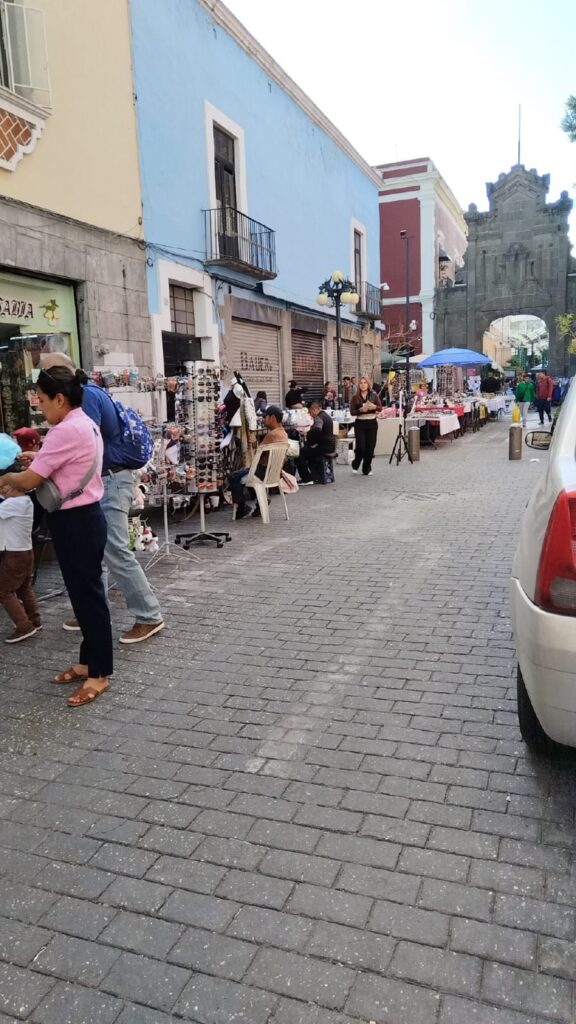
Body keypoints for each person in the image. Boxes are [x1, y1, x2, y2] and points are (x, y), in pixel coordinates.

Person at [0, 367, 112, 707]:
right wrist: (40, 457)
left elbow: (30, 481)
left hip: (77, 521)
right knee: (82, 595)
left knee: (88, 599)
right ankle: (86, 662)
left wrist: (10, 479)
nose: (41, 406)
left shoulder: (66, 430)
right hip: (84, 518)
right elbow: (66, 461)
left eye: (44, 400)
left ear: (60, 399)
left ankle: (100, 674)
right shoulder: (83, 422)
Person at [41, 354, 163, 644]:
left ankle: (149, 615)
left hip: (111, 480)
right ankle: (93, 612)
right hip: (108, 478)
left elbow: (83, 443)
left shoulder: (87, 397)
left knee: (116, 550)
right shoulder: (90, 394)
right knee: (100, 552)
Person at [0, 458, 41, 643]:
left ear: (17, 486)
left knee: (3, 590)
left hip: (13, 555)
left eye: (5, 487)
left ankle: (23, 626)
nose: (2, 490)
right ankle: (35, 619)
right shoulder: (25, 502)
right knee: (24, 587)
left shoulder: (10, 505)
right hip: (26, 552)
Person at [229, 405, 288, 519]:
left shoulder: (272, 434)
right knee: (245, 473)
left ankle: (242, 508)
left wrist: (255, 443)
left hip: (262, 472)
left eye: (265, 417)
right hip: (274, 473)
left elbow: (258, 455)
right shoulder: (283, 433)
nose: (263, 419)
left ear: (273, 418)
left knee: (233, 477)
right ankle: (261, 502)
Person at [296, 399, 335, 485]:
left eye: (310, 412)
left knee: (300, 453)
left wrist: (308, 434)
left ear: (314, 409)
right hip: (329, 445)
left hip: (324, 446)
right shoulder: (326, 415)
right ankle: (315, 475)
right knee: (308, 451)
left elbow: (318, 429)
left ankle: (306, 478)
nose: (310, 414)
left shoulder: (319, 417)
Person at [350, 375, 382, 476]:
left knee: (370, 447)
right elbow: (352, 412)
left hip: (372, 422)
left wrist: (374, 406)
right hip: (360, 423)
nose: (363, 385)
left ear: (368, 384)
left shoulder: (373, 395)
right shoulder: (355, 397)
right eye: (361, 383)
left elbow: (380, 408)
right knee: (361, 447)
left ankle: (366, 467)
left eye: (365, 383)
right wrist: (360, 410)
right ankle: (356, 463)